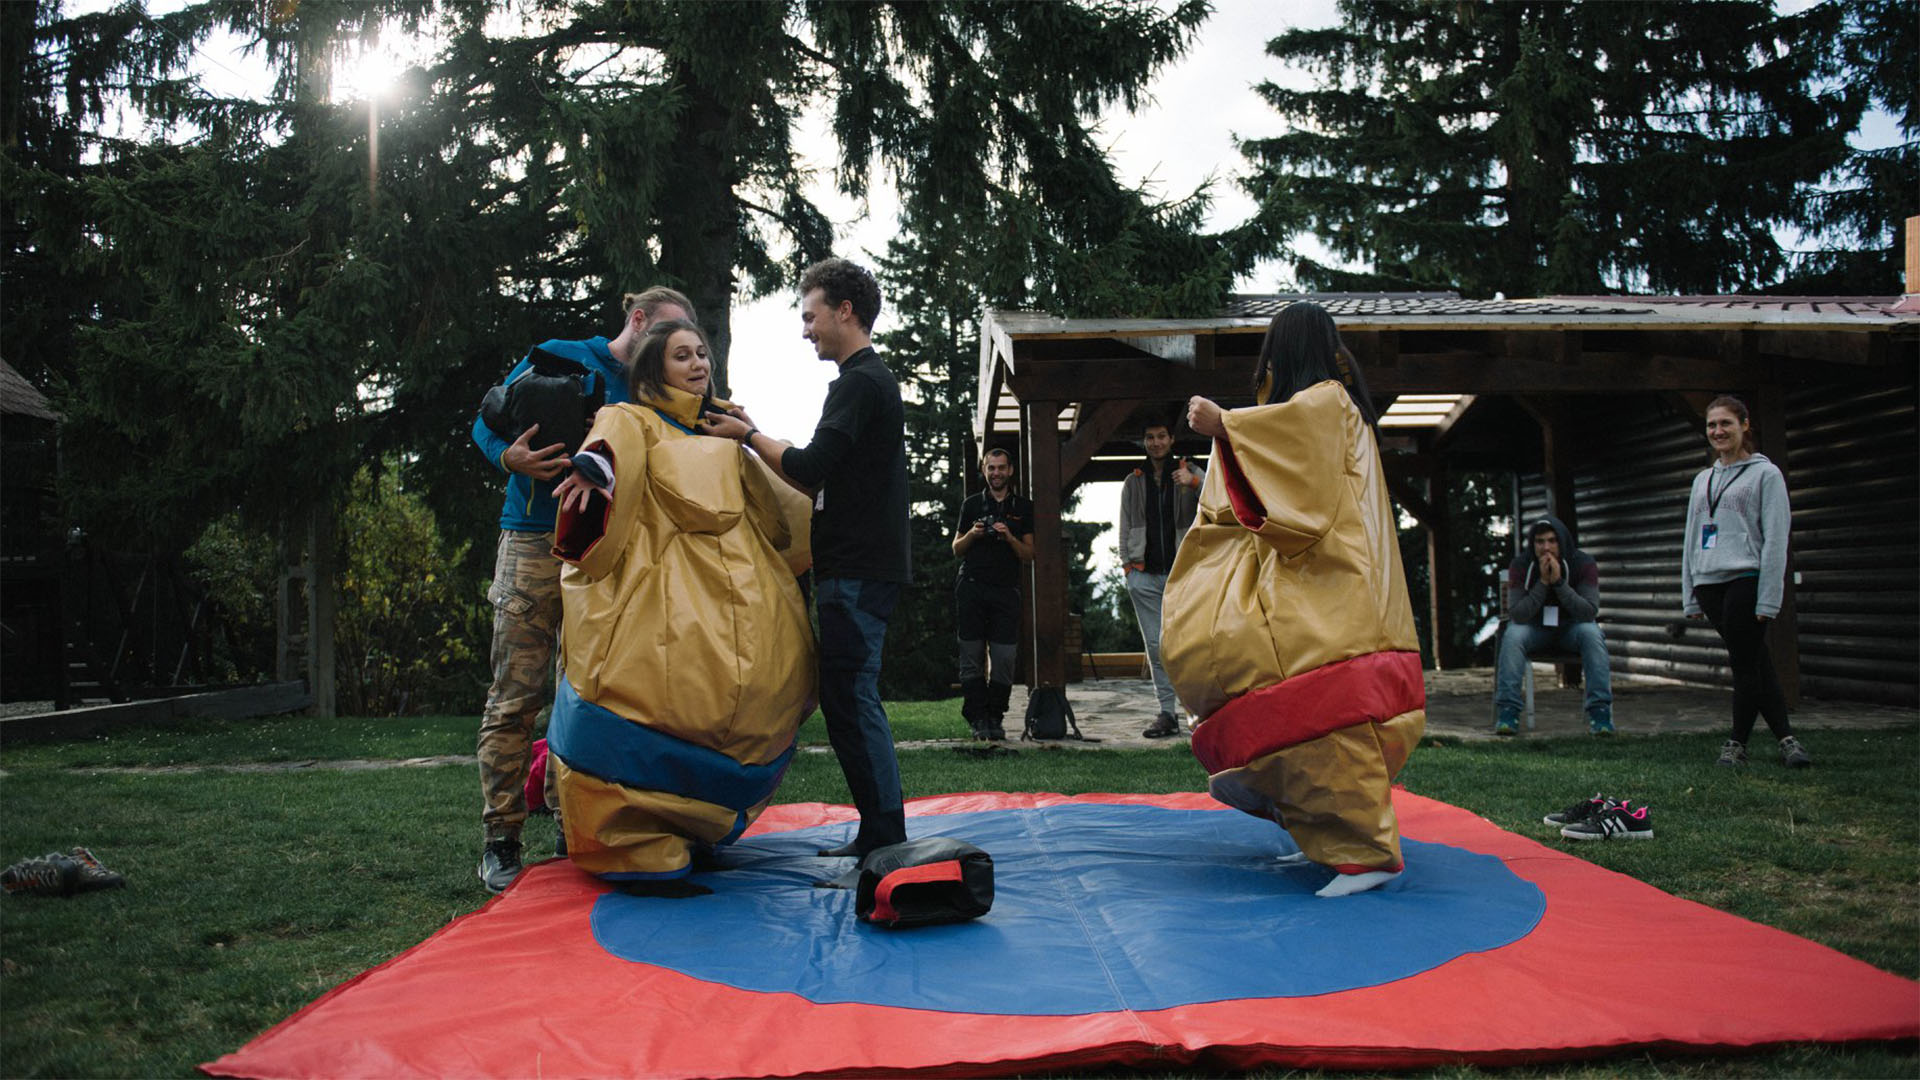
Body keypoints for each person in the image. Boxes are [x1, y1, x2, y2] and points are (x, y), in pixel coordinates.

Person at [545, 319, 815, 897]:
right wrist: (595, 472)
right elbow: (607, 456)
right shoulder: (631, 418)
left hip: (743, 592)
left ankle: (703, 826)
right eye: (681, 356)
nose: (697, 365)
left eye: (701, 355)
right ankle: (635, 839)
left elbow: (781, 512)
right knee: (652, 696)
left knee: (748, 702)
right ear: (652, 370)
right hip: (656, 595)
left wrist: (749, 438)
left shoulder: (725, 432)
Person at [1164, 302, 1425, 898]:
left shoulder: (1327, 404)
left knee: (1319, 713)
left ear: (1284, 353)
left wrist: (1225, 425)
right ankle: (1294, 806)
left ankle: (1367, 853)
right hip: (1349, 592)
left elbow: (1291, 461)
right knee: (1286, 701)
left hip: (1332, 598)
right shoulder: (1340, 411)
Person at [469, 287, 694, 894]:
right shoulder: (560, 355)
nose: (667, 348)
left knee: (589, 696)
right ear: (638, 319)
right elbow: (484, 424)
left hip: (601, 556)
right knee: (517, 695)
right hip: (533, 545)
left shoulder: (652, 388)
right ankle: (501, 839)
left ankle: (577, 828)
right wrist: (508, 459)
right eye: (662, 334)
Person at [704, 257, 912, 864]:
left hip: (859, 569)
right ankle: (878, 832)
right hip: (856, 566)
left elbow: (808, 467)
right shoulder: (863, 383)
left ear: (844, 310)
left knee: (853, 697)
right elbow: (822, 466)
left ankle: (886, 840)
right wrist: (755, 430)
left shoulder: (860, 383)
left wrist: (746, 435)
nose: (806, 330)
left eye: (810, 315)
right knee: (846, 697)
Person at [1681, 395, 1810, 768]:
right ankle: (1788, 741)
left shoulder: (1765, 475)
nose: (1718, 431)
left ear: (1744, 425)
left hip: (1745, 578)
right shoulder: (1702, 480)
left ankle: (1736, 743)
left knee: (1743, 663)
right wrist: (1689, 595)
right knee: (1755, 661)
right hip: (1708, 583)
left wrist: (1769, 598)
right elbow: (1691, 537)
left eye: (1726, 424)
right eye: (1711, 425)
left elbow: (1776, 539)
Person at [1117, 422, 1203, 738]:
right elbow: (1125, 525)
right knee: (1156, 647)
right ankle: (1167, 714)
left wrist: (1193, 482)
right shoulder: (1133, 481)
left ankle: (1198, 712)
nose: (1156, 443)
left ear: (1171, 440)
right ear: (1144, 441)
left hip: (1185, 576)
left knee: (1190, 645)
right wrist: (1128, 567)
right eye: (1150, 437)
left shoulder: (1189, 471)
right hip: (1145, 576)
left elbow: (1217, 499)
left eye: (1161, 437)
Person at [1494, 516, 1614, 736]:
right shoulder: (1521, 565)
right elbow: (1518, 614)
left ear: (1562, 541)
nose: (1546, 547)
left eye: (1552, 540)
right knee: (1513, 635)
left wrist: (1559, 583)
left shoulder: (1584, 563)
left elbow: (1588, 612)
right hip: (1534, 629)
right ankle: (1508, 712)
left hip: (1571, 628)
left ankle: (1600, 713)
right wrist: (1543, 583)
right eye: (1540, 541)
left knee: (1592, 633)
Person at [951, 448, 1034, 741]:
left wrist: (1008, 536)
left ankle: (996, 716)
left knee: (1004, 657)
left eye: (1001, 468)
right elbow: (956, 549)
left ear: (1010, 470)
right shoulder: (972, 504)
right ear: (984, 470)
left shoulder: (1023, 507)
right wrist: (974, 534)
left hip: (1005, 591)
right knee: (971, 655)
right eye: (991, 468)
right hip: (972, 587)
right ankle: (977, 718)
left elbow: (1029, 554)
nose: (996, 473)